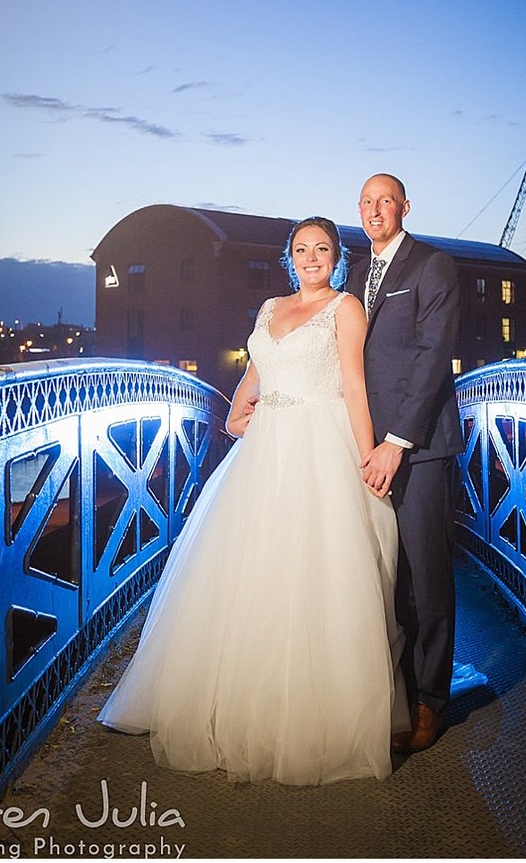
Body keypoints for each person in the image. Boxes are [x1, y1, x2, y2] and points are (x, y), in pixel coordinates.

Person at [98, 216, 406, 784]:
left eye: (322, 249)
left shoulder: (345, 308)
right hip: (267, 444)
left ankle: (311, 718)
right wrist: (240, 413)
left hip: (322, 440)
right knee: (250, 567)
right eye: (301, 249)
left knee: (314, 569)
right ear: (288, 258)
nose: (312, 257)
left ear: (337, 258)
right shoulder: (268, 309)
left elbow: (356, 384)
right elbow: (255, 378)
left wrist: (366, 458)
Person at [348, 173, 463, 754]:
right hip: (364, 448)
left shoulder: (431, 265)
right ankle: (394, 687)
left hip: (416, 446)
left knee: (426, 574)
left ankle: (430, 702)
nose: (375, 211)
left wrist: (397, 441)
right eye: (366, 202)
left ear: (404, 207)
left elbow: (431, 357)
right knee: (383, 574)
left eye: (385, 201)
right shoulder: (355, 274)